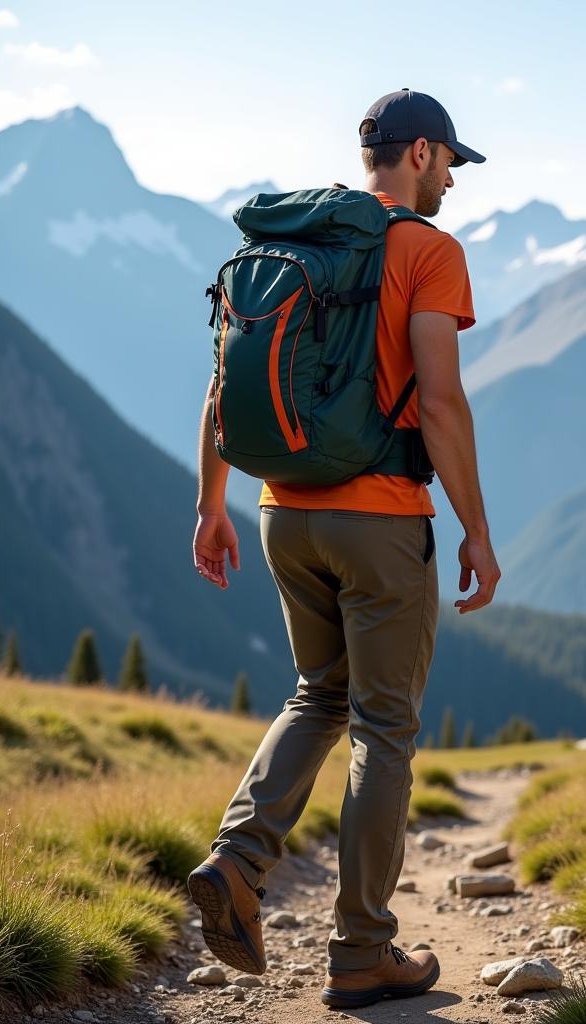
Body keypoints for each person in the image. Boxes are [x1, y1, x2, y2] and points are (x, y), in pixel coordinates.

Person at [186, 88, 500, 1011]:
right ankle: (362, 951)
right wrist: (476, 527)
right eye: (450, 163)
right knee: (384, 728)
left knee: (317, 693)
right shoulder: (428, 250)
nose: (452, 181)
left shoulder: (281, 243)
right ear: (421, 153)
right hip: (380, 521)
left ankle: (238, 861)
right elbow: (439, 401)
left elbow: (222, 384)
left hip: (282, 511)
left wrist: (212, 504)